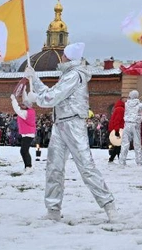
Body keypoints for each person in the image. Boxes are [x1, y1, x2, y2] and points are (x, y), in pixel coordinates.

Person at [25, 42, 119, 222]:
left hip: (73, 124)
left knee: (86, 167)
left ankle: (109, 205)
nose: (62, 57)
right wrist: (35, 79)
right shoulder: (67, 75)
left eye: (65, 55)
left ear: (69, 57)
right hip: (60, 124)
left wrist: (36, 98)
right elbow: (52, 92)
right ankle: (53, 209)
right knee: (54, 168)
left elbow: (52, 97)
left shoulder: (74, 75)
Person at [119, 90, 142, 166]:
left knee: (125, 144)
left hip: (127, 124)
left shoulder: (127, 104)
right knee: (137, 144)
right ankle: (139, 161)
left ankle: (122, 161)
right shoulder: (139, 105)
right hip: (135, 125)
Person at [10, 85, 36, 170]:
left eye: (23, 105)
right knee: (24, 150)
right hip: (27, 134)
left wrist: (14, 100)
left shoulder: (25, 113)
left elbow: (17, 109)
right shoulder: (30, 110)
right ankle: (27, 166)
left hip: (28, 134)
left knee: (24, 151)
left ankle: (28, 167)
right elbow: (26, 100)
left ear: (27, 106)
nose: (21, 105)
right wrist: (24, 90)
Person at [108, 99, 125, 163]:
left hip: (115, 129)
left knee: (117, 145)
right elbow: (117, 120)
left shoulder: (117, 109)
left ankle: (112, 158)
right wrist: (117, 131)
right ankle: (118, 159)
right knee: (118, 145)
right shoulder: (120, 110)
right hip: (117, 129)